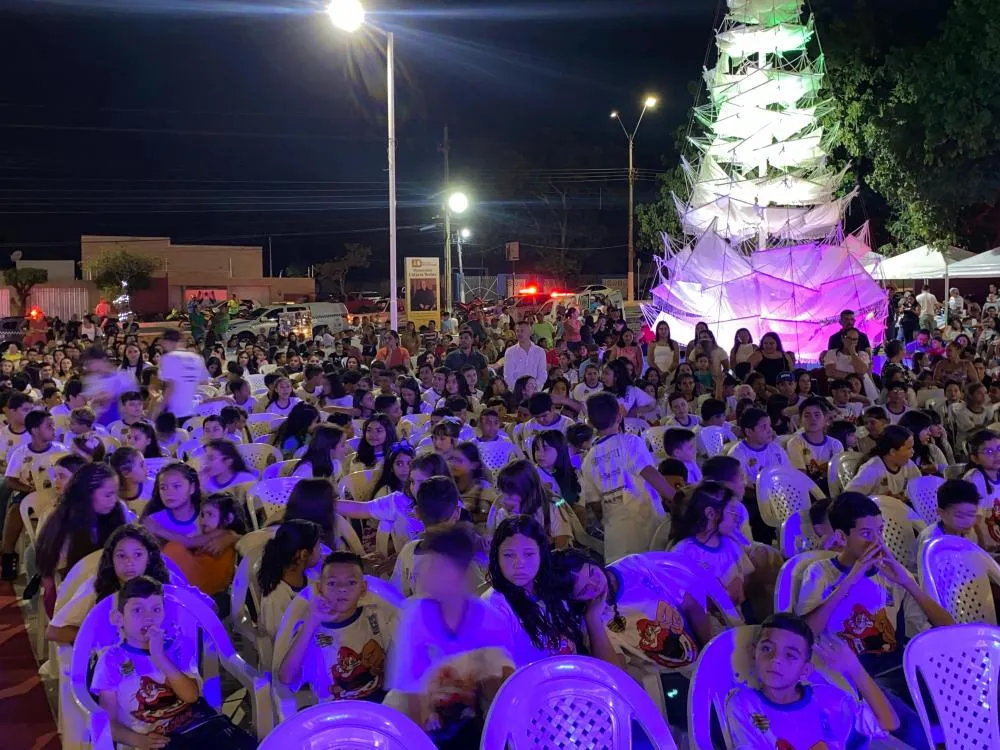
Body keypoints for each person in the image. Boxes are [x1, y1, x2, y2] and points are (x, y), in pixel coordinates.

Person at [796, 492, 952, 749]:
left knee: (964, 709)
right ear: (842, 537)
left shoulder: (890, 573)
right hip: (851, 677)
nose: (878, 541)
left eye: (880, 530)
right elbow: (805, 634)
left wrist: (908, 583)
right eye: (867, 534)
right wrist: (850, 580)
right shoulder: (820, 573)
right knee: (918, 736)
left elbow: (947, 628)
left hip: (899, 669)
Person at [552, 548, 709, 732]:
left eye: (593, 573)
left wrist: (710, 652)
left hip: (700, 659)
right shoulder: (591, 622)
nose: (595, 584)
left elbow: (690, 605)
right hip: (670, 686)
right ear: (574, 599)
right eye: (585, 590)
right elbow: (616, 677)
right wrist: (593, 620)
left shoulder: (636, 567)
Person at [386, 525, 515, 749]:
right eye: (426, 565)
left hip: (469, 722)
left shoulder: (492, 623)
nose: (424, 574)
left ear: (461, 574)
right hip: (421, 727)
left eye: (436, 567)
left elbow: (500, 698)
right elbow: (411, 693)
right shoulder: (415, 618)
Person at [91, 576, 257, 749]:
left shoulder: (177, 646)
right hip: (152, 740)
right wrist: (138, 741)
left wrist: (160, 657)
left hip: (198, 728)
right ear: (119, 619)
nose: (148, 617)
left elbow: (191, 696)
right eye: (137, 610)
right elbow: (107, 721)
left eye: (156, 609)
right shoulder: (111, 660)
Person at [725, 612, 898, 748]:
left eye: (790, 655)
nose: (775, 659)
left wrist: (855, 669)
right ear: (753, 653)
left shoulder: (830, 700)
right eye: (767, 648)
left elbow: (888, 722)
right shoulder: (744, 704)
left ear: (805, 670)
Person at [482, 515, 618, 668]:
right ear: (496, 557)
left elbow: (613, 669)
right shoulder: (494, 607)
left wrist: (592, 618)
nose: (519, 564)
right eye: (509, 555)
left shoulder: (553, 590)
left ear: (541, 554)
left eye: (528, 554)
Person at [277, 550, 398, 702]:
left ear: (363, 587)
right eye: (332, 583)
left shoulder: (377, 616)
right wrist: (311, 622)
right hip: (335, 715)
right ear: (320, 588)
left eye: (351, 582)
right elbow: (286, 677)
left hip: (382, 708)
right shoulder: (311, 629)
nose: (342, 588)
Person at [580, 391, 674, 561]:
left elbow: (595, 504)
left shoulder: (588, 460)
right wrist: (676, 498)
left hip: (617, 538)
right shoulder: (630, 442)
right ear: (619, 416)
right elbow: (649, 472)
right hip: (648, 530)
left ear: (591, 422)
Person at [35, 463, 126, 612]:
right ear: (87, 494)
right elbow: (62, 576)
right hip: (72, 595)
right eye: (108, 495)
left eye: (116, 493)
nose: (114, 500)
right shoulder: (64, 524)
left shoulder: (117, 511)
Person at [257, 519, 323, 639]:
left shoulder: (311, 578)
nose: (322, 550)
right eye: (318, 546)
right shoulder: (275, 598)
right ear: (304, 554)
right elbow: (281, 641)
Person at [845, 426, 920, 499]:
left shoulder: (909, 465)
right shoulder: (871, 469)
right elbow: (848, 498)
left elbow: (920, 489)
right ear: (892, 452)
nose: (912, 452)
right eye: (909, 448)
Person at [157, 329, 209, 424]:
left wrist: (160, 408)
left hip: (174, 411)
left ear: (166, 341)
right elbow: (204, 381)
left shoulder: (169, 358)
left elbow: (170, 387)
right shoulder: (197, 358)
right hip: (193, 409)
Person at [503, 320, 547, 389]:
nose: (519, 333)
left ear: (530, 332)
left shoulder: (540, 351)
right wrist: (519, 390)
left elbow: (542, 374)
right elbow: (508, 376)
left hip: (535, 391)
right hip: (516, 392)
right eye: (517, 331)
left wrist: (534, 388)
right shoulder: (510, 352)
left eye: (522, 331)